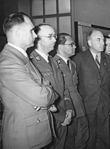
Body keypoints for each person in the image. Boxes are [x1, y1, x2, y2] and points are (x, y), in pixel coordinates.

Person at [0, 12, 58, 149]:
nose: (36, 35)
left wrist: (43, 93)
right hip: (24, 138)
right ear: (19, 33)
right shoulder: (8, 61)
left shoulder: (21, 57)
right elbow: (42, 97)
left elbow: (44, 88)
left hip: (34, 133)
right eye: (32, 30)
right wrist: (47, 94)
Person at [29, 24, 74, 149]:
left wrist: (69, 108)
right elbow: (38, 98)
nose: (55, 40)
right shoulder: (31, 63)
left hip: (64, 116)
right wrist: (61, 116)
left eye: (54, 36)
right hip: (49, 120)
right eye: (50, 37)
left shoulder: (54, 61)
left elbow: (64, 89)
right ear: (37, 39)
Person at [74, 29, 110, 149]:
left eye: (103, 40)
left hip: (104, 103)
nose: (102, 42)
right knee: (89, 137)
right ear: (89, 42)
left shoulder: (108, 58)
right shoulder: (79, 58)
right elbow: (74, 84)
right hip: (87, 104)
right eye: (98, 39)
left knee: (104, 136)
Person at [53, 33, 89, 149]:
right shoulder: (53, 64)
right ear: (60, 46)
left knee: (82, 138)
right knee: (67, 142)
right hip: (65, 108)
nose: (75, 47)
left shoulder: (72, 64)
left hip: (78, 106)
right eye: (71, 44)